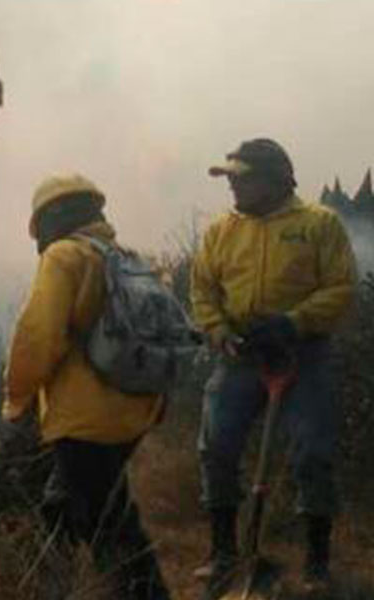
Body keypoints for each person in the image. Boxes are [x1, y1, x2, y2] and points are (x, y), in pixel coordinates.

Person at [191, 138, 357, 592]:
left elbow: (342, 288)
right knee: (216, 447)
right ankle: (223, 552)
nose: (233, 186)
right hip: (240, 355)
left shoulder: (319, 224)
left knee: (312, 454)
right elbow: (203, 289)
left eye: (242, 177)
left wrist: (293, 321)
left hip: (304, 354)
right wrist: (219, 331)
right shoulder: (222, 230)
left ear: (275, 179)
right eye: (231, 177)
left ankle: (316, 563)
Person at [2, 173, 170, 600]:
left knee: (108, 522)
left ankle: (143, 594)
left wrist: (15, 399)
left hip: (84, 417)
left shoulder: (65, 256)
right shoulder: (122, 255)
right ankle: (49, 584)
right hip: (132, 410)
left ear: (50, 219)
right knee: (64, 503)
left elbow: (38, 336)